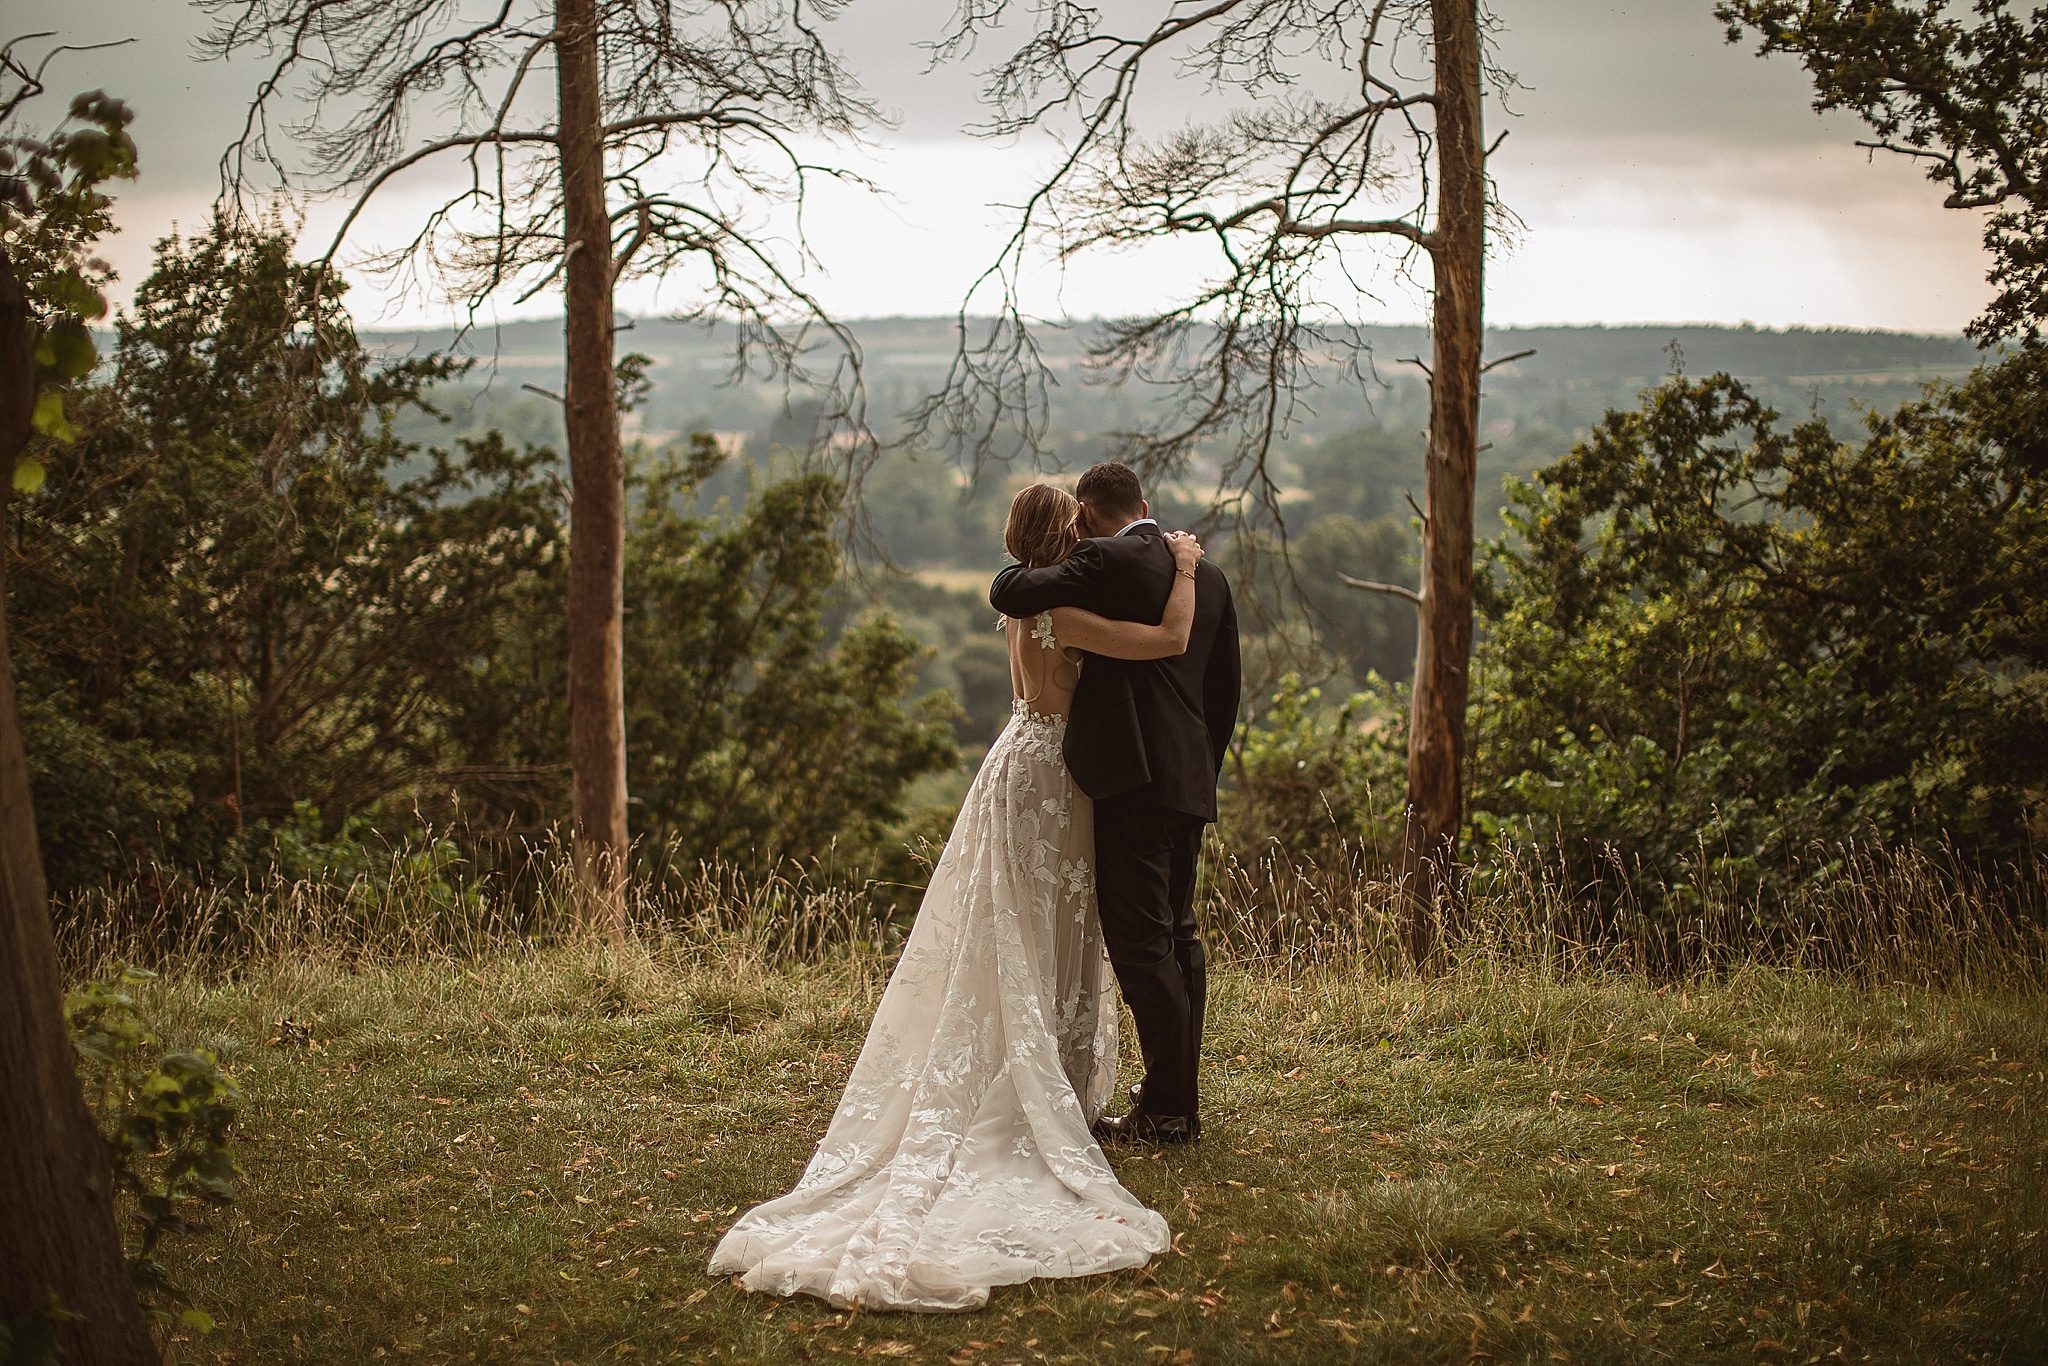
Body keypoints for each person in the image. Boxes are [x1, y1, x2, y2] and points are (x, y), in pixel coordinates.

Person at [708, 483, 1207, 1312]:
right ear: (1066, 535)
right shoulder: (1063, 615)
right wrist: (1183, 568)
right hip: (1054, 778)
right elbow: (1164, 642)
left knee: (1017, 919)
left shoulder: (1026, 603)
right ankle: (1043, 1081)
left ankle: (1052, 1069)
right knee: (1043, 926)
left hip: (1017, 758)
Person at [988, 461, 1241, 1147]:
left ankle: (1168, 1109)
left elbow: (1012, 588)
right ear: (1146, 504)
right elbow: (1222, 694)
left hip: (1130, 781)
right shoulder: (1209, 579)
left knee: (1137, 943)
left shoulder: (1101, 568)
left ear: (1086, 516)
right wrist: (1199, 774)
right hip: (1188, 779)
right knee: (1178, 936)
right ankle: (1171, 1099)